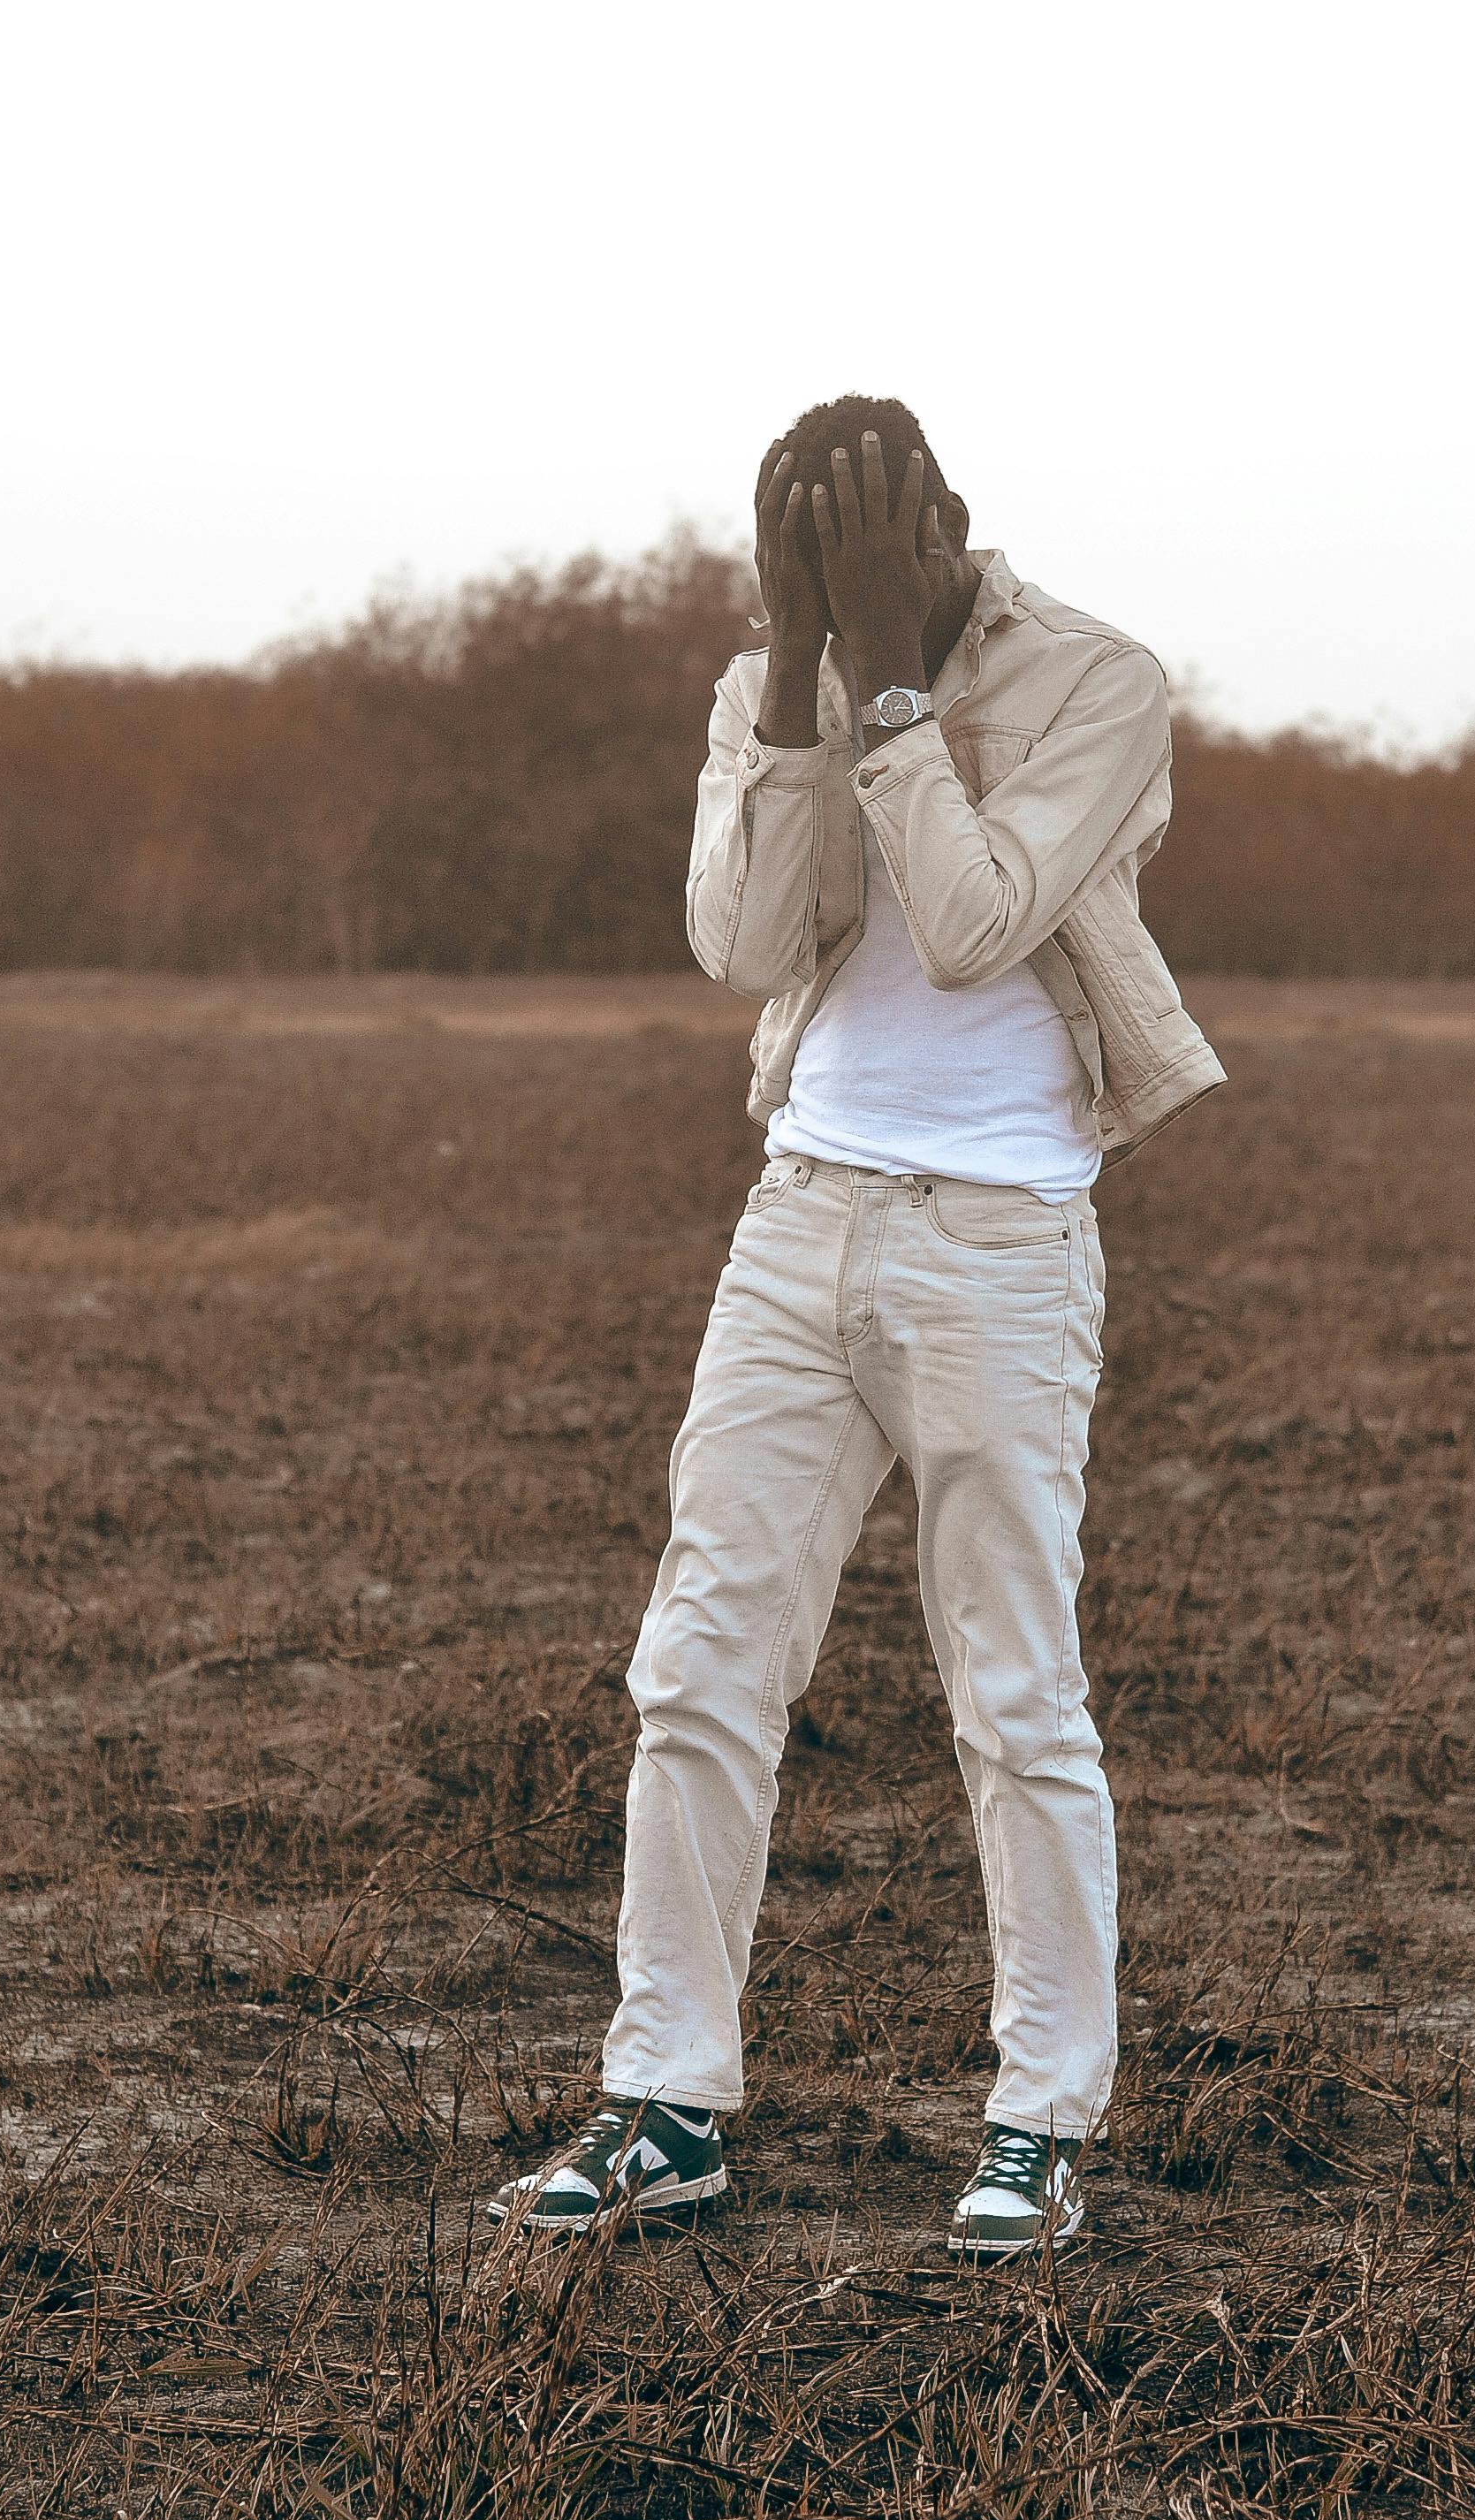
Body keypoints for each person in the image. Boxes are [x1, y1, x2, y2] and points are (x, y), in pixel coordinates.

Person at [490, 399, 1225, 2257]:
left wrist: (898, 688)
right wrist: (807, 678)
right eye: (803, 553)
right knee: (698, 1668)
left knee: (1015, 1692)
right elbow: (747, 942)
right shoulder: (775, 675)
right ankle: (667, 2102)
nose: (836, 581)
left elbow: (976, 926)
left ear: (954, 524)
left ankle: (1041, 2124)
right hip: (798, 1215)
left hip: (1000, 1234)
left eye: (872, 542)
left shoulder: (1101, 681)